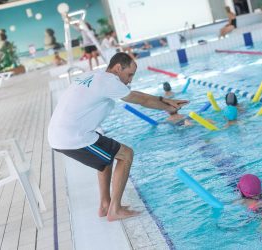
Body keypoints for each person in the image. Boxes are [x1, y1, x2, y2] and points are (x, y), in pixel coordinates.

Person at [48, 52, 189, 221]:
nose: (130, 80)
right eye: (129, 74)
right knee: (126, 154)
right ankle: (115, 210)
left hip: (60, 133)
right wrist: (167, 106)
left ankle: (105, 205)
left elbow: (139, 95)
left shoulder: (95, 76)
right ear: (117, 68)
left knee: (106, 160)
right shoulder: (109, 81)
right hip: (73, 137)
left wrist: (165, 101)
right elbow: (140, 99)